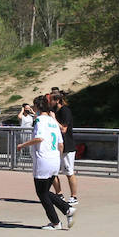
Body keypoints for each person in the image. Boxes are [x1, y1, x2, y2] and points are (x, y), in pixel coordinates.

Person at [18, 95, 75, 230]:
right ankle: (66, 209)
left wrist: (23, 145)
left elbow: (39, 138)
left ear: (37, 107)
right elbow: (60, 144)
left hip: (43, 159)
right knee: (45, 191)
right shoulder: (53, 121)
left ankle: (56, 222)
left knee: (41, 193)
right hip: (54, 158)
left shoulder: (40, 121)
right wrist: (57, 157)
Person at [51, 90, 79, 204]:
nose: (50, 102)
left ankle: (74, 196)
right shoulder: (54, 111)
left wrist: (54, 119)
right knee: (53, 172)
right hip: (57, 146)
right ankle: (59, 194)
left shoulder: (65, 111)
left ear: (57, 100)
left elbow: (64, 129)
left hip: (67, 146)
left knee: (69, 172)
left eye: (51, 100)